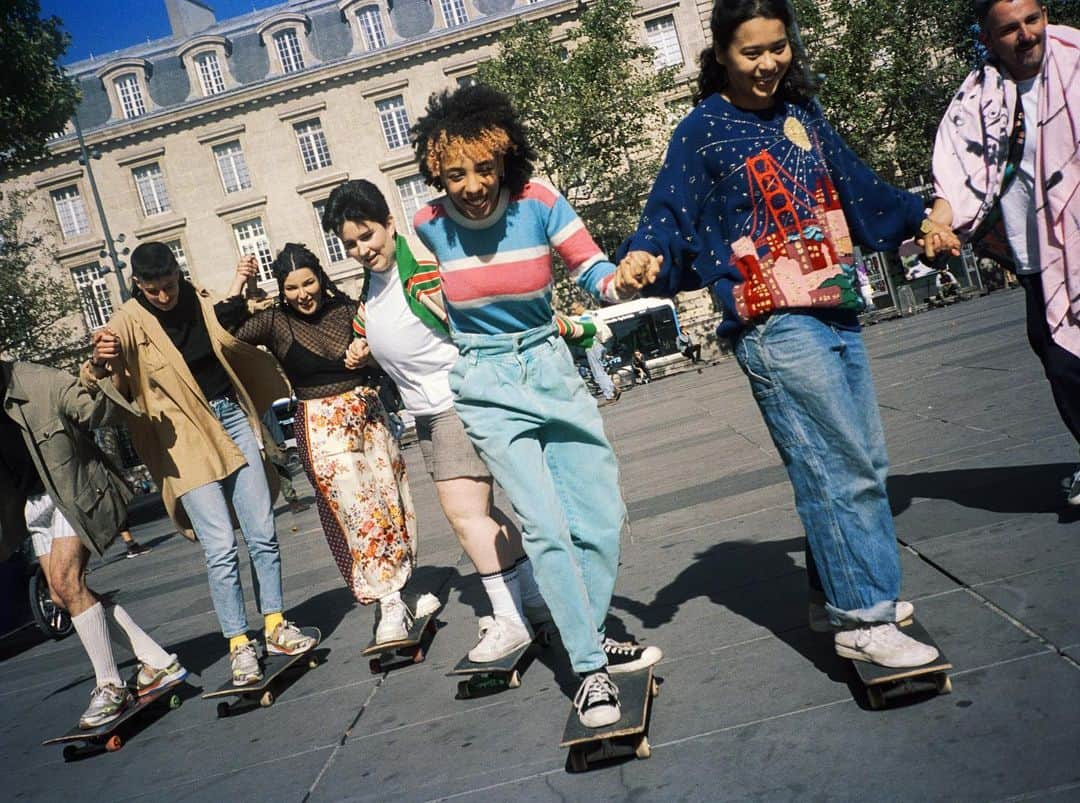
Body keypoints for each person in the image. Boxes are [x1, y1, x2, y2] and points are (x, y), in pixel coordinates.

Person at [616, 0, 961, 668]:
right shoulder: (702, 131)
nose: (770, 63)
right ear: (720, 53)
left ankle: (833, 590)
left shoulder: (802, 117)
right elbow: (668, 209)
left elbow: (859, 190)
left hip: (833, 301)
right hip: (773, 320)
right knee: (836, 465)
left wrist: (920, 219)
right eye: (752, 52)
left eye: (779, 47)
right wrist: (644, 254)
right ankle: (863, 616)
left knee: (863, 461)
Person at [410, 84, 662, 728]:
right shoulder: (427, 226)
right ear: (435, 167)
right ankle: (588, 668)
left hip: (549, 366)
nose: (471, 185)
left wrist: (621, 279)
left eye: (484, 168)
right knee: (545, 526)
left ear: (506, 156)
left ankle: (591, 620)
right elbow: (414, 295)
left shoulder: (540, 201)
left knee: (601, 513)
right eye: (455, 172)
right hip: (488, 382)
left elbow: (592, 270)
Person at [322, 178, 553, 661]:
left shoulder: (423, 272)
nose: (362, 249)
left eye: (367, 235)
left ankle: (508, 620)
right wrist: (363, 349)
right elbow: (390, 338)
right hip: (425, 416)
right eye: (350, 244)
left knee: (464, 516)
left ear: (389, 223)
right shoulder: (375, 290)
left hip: (456, 404)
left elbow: (475, 326)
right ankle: (531, 596)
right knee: (482, 515)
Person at [83, 242, 316, 687]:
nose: (164, 296)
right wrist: (99, 358)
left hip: (231, 415)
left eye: (169, 286)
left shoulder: (201, 297)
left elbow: (236, 326)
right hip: (183, 439)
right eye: (153, 290)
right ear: (137, 285)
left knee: (262, 533)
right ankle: (238, 646)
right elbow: (94, 375)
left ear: (179, 274)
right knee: (220, 548)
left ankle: (275, 626)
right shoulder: (128, 319)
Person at [224, 245, 430, 645]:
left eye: (309, 282)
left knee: (392, 502)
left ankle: (402, 589)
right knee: (358, 511)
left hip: (369, 415)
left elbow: (387, 349)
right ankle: (388, 602)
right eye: (292, 287)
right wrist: (240, 281)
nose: (303, 293)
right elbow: (226, 331)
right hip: (321, 425)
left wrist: (368, 354)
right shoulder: (275, 323)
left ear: (320, 277)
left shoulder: (349, 309)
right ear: (281, 290)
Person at [929, 0, 1080, 505]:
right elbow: (954, 172)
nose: (1026, 35)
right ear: (988, 39)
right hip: (1038, 250)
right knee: (1059, 356)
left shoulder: (1076, 58)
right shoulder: (976, 97)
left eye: (1032, 20)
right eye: (1010, 29)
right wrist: (937, 223)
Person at [0, 360, 186, 728]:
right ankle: (161, 662)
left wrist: (101, 378)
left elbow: (99, 412)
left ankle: (110, 685)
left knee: (70, 584)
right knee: (59, 595)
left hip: (76, 492)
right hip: (33, 505)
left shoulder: (43, 382)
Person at [569, 301, 620, 405]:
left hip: (592, 345)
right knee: (601, 370)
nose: (573, 312)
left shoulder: (585, 317)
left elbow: (587, 332)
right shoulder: (592, 313)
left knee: (597, 372)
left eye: (574, 309)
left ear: (580, 306)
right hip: (602, 344)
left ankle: (610, 395)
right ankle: (613, 389)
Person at [260, 407, 309, 515]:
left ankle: (291, 501)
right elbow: (269, 418)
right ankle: (293, 501)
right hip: (263, 437)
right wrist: (279, 442)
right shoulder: (258, 402)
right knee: (280, 470)